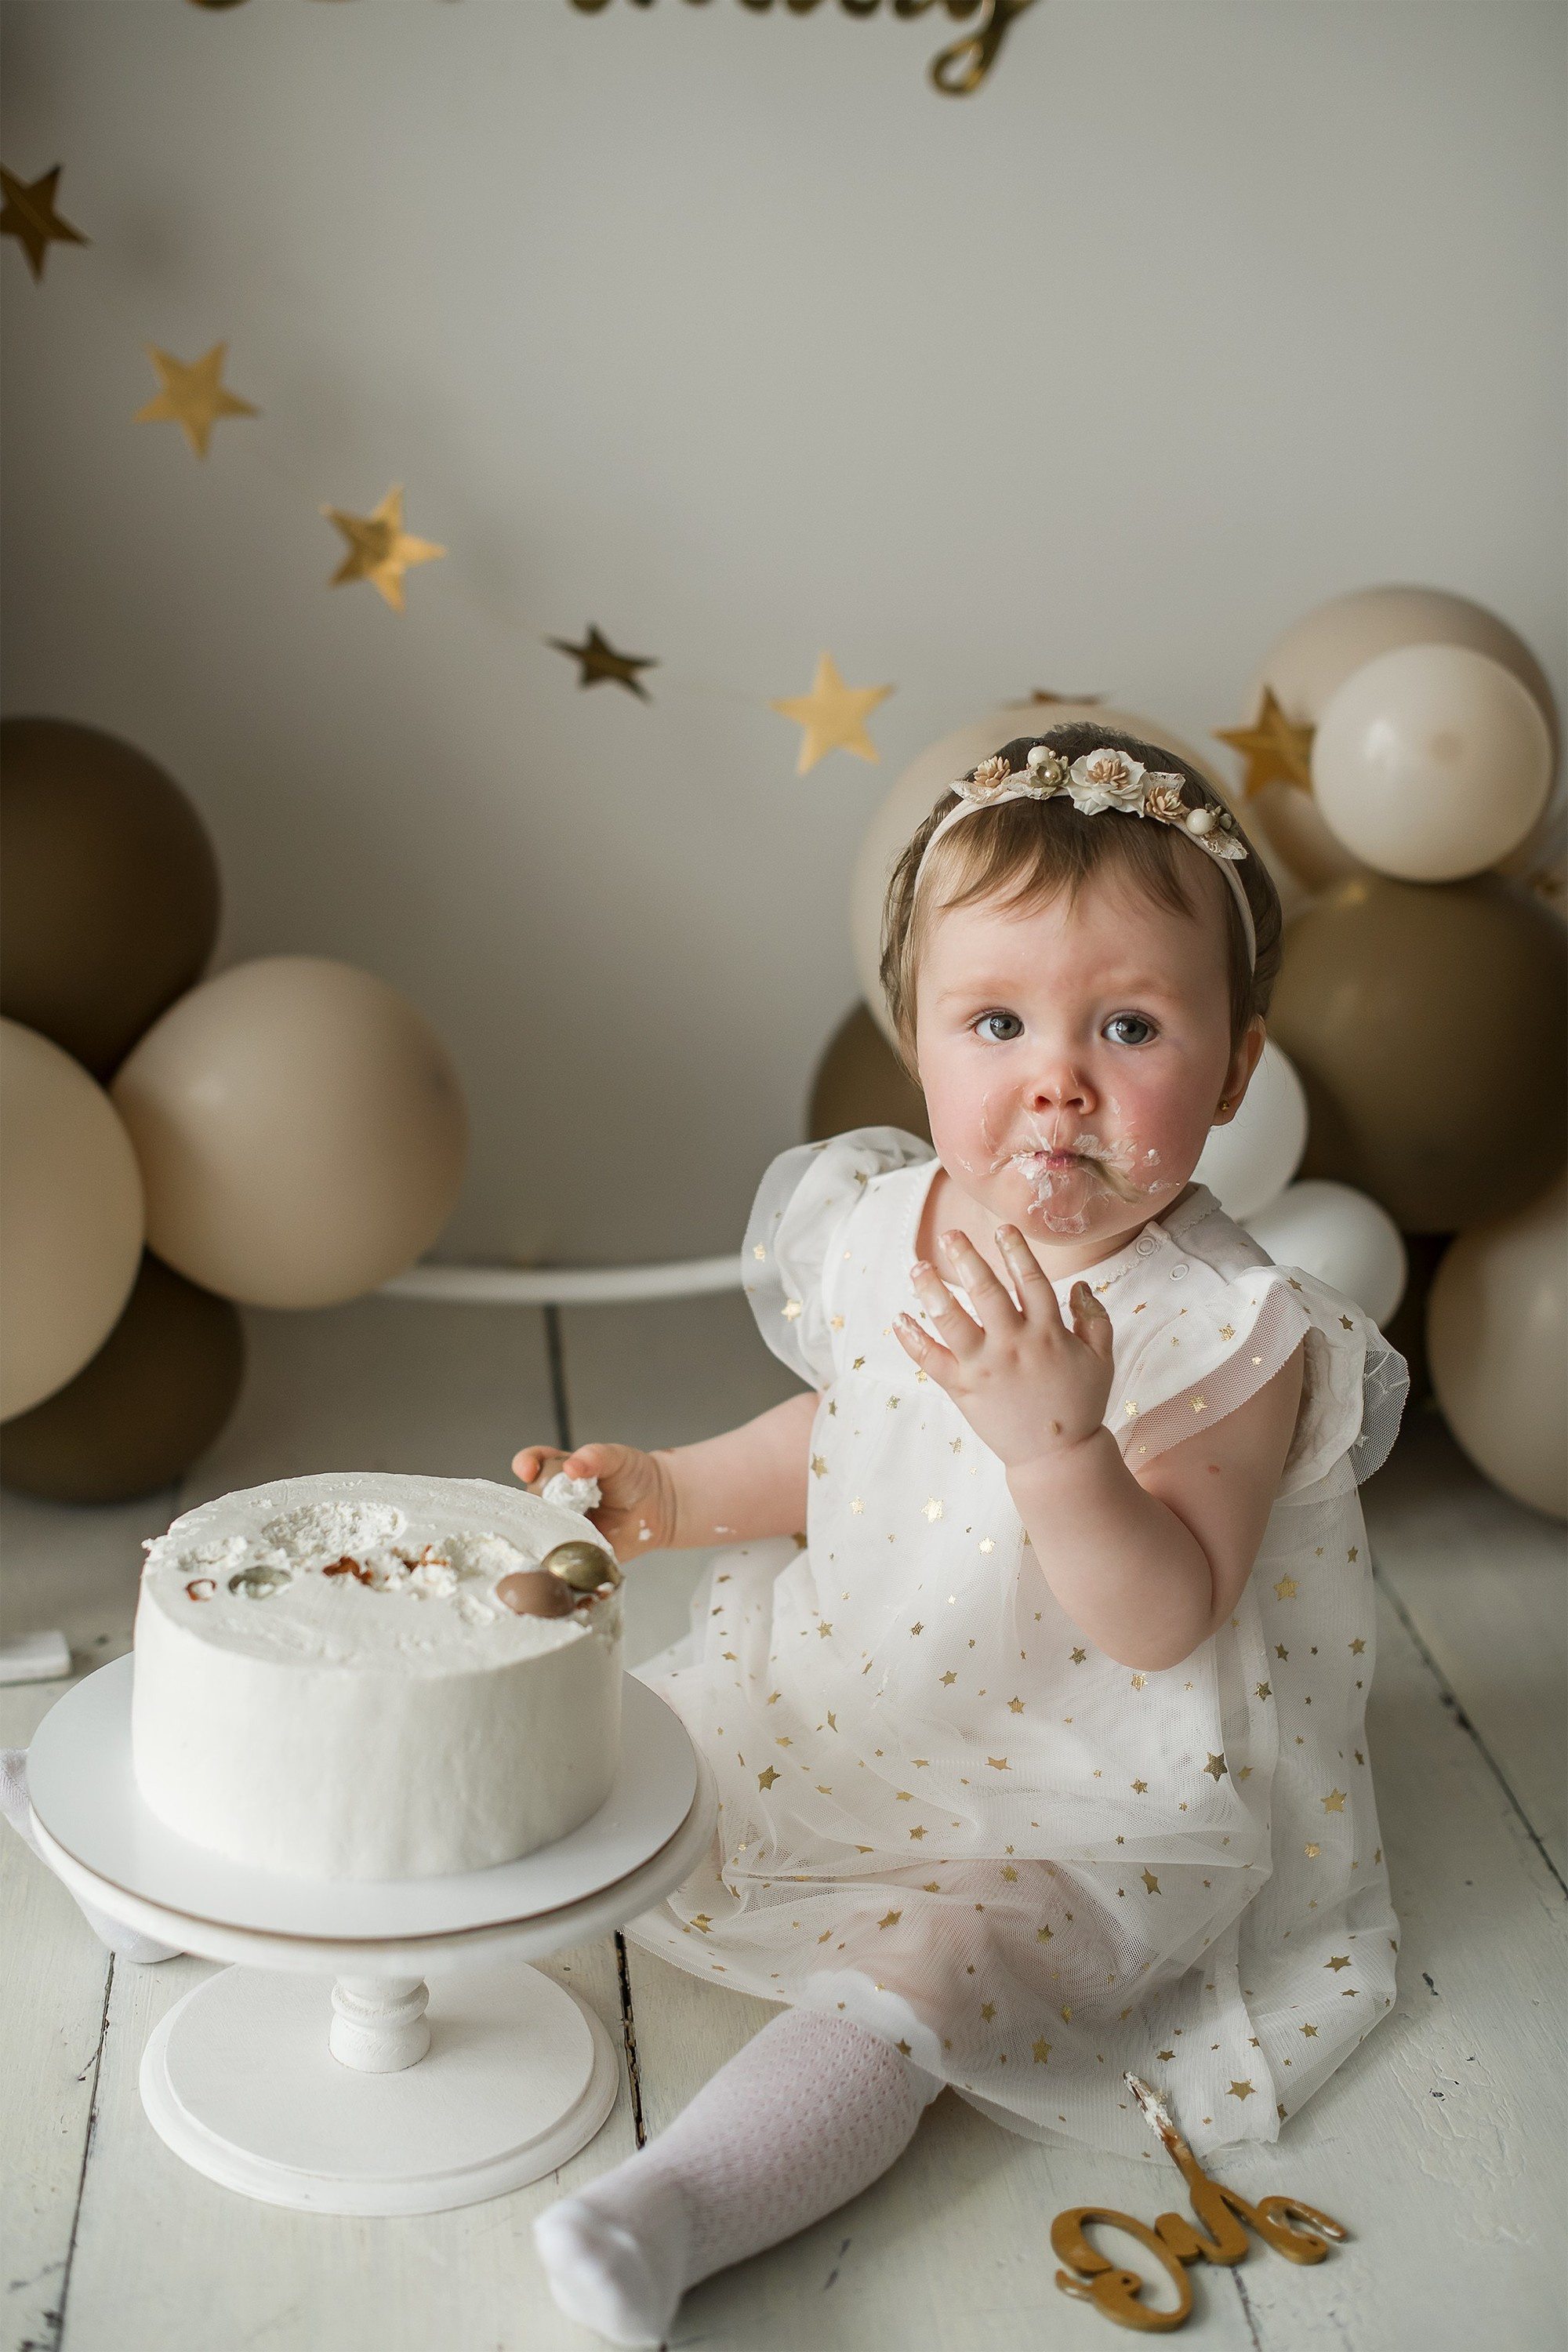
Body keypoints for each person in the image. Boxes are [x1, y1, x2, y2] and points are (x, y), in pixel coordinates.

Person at [524, 722, 1408, 2348]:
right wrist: (669, 1488)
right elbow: (839, 1438)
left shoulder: (1225, 1329)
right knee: (608, 1776)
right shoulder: (880, 1223)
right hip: (860, 1684)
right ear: (916, 1041)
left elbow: (1165, 1617)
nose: (1054, 1080)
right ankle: (244, 1877)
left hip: (1087, 1781)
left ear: (1232, 1070)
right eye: (996, 1020)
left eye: (1128, 1025)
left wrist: (1062, 1448)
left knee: (936, 1962)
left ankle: (678, 2209)